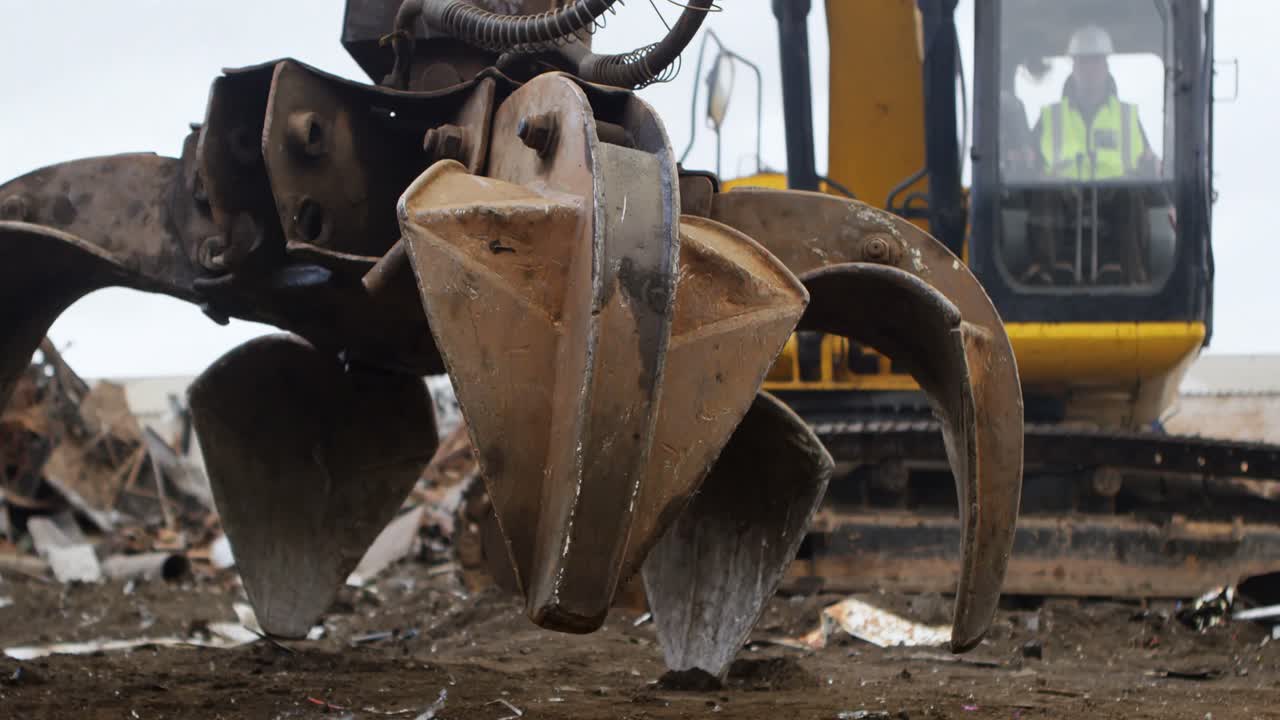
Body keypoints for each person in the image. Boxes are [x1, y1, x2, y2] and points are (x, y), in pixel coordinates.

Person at [1035, 25, 1155, 180]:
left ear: (1106, 66)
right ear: (1073, 66)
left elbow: (1148, 169)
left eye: (1096, 60)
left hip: (1121, 202)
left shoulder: (1128, 118)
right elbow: (1030, 169)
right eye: (1083, 61)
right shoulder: (1049, 118)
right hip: (1059, 202)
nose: (1089, 68)